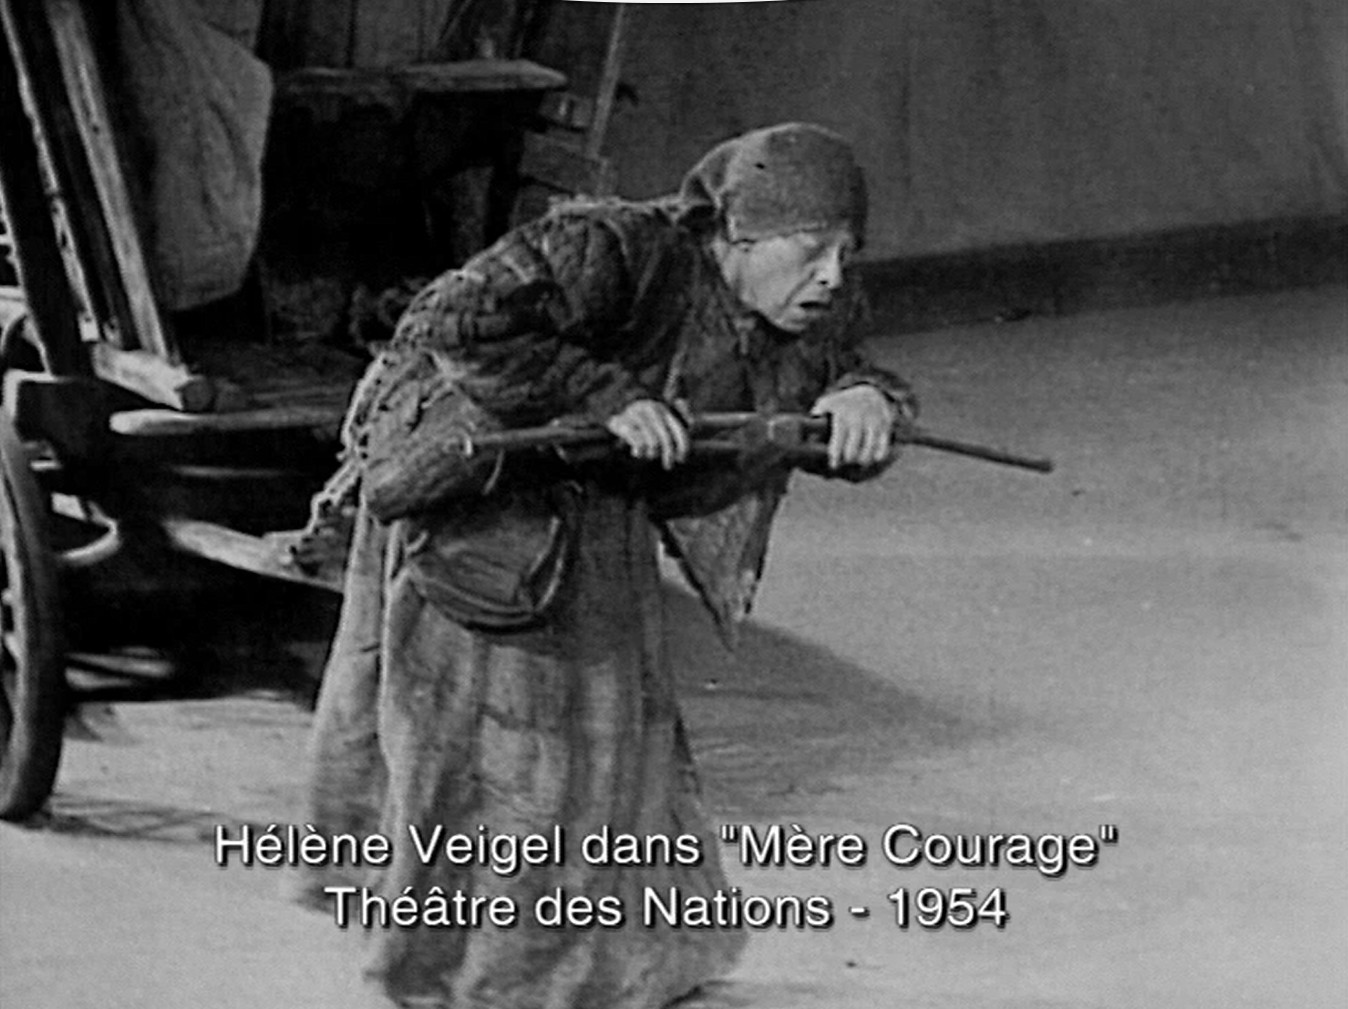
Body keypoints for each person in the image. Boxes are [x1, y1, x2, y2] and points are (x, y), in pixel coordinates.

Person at [293, 122, 916, 1008]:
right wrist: (605, 395)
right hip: (479, 505)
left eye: (847, 253)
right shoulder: (615, 249)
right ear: (736, 235)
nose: (832, 276)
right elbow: (448, 321)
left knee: (607, 756)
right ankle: (459, 971)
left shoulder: (809, 307)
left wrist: (866, 401)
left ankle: (571, 965)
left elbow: (835, 376)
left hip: (594, 516)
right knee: (499, 755)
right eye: (810, 249)